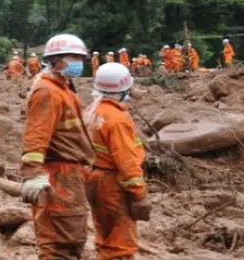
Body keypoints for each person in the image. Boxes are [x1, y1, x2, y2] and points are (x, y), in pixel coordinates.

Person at [21, 33, 95, 260]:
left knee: (72, 239)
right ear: (55, 60)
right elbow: (36, 135)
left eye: (80, 58)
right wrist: (33, 173)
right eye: (72, 57)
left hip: (71, 174)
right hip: (59, 176)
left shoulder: (63, 88)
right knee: (59, 244)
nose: (78, 63)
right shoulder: (48, 91)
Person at [83, 62, 151, 260]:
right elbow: (126, 161)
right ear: (123, 88)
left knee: (104, 236)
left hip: (93, 178)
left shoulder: (92, 111)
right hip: (113, 184)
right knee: (120, 244)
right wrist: (139, 194)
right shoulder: (117, 119)